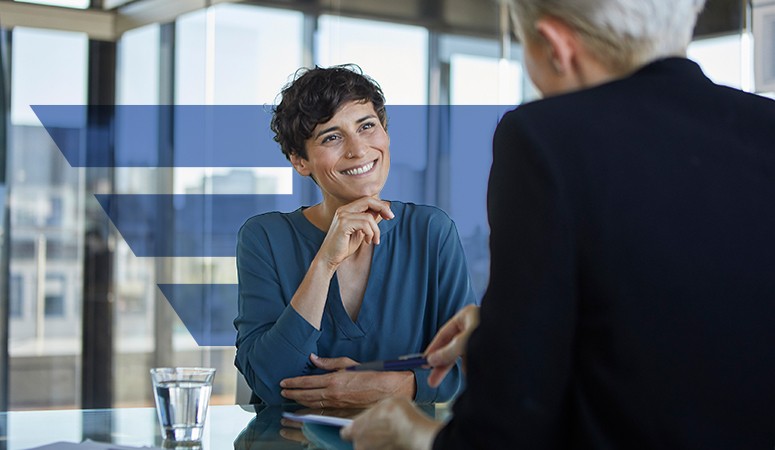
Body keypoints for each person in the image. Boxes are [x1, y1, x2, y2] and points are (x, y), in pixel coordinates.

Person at [342, 0, 775, 448]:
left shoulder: (544, 138)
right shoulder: (766, 128)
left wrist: (415, 437)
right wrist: (510, 329)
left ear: (556, 47)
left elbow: (503, 431)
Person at [234, 65, 477, 407]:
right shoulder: (264, 238)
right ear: (300, 161)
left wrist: (380, 385)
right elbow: (269, 380)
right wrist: (325, 262)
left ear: (385, 133)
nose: (358, 149)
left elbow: (466, 364)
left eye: (366, 127)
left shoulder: (431, 232)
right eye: (331, 137)